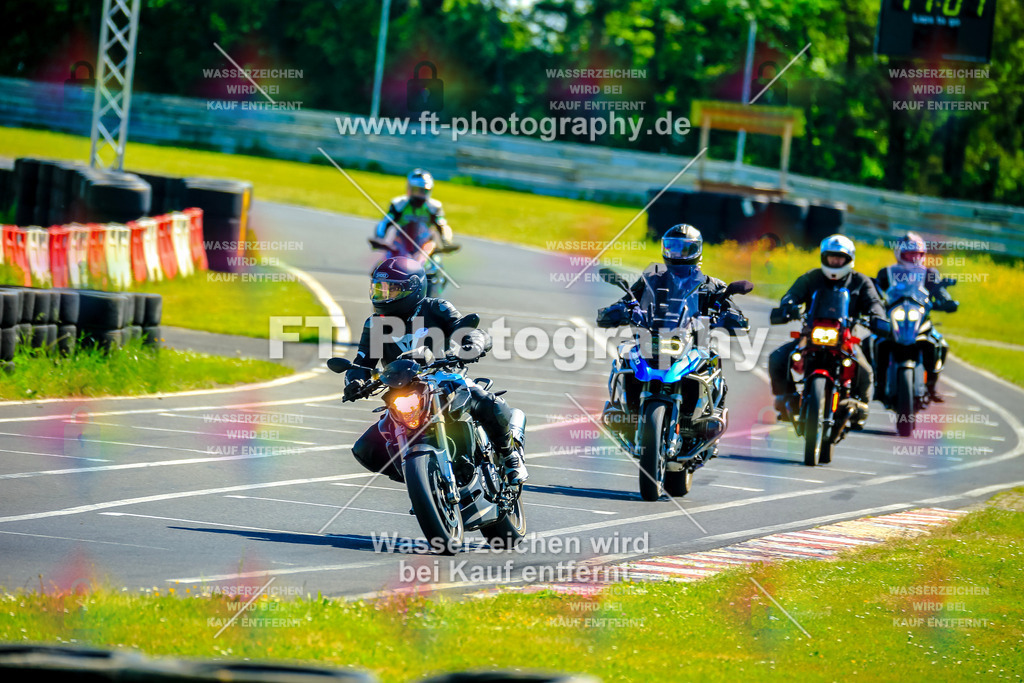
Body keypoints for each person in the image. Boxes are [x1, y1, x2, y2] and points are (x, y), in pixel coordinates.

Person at [340, 256, 528, 485]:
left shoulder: (435, 307)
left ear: (414, 289)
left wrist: (473, 343)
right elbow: (362, 363)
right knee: (366, 449)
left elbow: (464, 329)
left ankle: (510, 456)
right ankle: (427, 483)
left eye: (393, 289)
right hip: (402, 389)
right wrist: (355, 382)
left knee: (487, 403)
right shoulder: (374, 323)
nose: (385, 295)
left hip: (444, 378)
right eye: (380, 289)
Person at [596, 224, 750, 420]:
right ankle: (622, 408)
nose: (678, 253)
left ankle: (711, 415)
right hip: (650, 337)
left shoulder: (712, 285)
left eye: (685, 248)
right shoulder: (651, 279)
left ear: (696, 250)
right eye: (673, 247)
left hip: (694, 343)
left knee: (712, 361)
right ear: (665, 249)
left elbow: (731, 308)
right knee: (625, 356)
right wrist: (617, 310)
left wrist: (732, 317)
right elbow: (629, 300)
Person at [768, 234, 885, 429]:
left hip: (846, 339)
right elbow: (792, 295)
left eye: (840, 257)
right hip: (811, 336)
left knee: (865, 371)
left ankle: (859, 406)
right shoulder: (811, 277)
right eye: (831, 256)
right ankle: (786, 398)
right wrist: (789, 305)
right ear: (824, 257)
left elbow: (874, 302)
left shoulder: (861, 282)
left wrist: (877, 315)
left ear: (849, 259)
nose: (836, 261)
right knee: (777, 358)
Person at [874, 231, 958, 402]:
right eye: (909, 253)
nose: (913, 257)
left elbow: (938, 290)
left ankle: (932, 386)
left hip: (920, 321)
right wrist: (872, 304)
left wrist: (946, 301)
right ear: (900, 254)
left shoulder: (929, 273)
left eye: (917, 254)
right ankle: (879, 385)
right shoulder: (887, 273)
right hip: (893, 320)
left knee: (940, 344)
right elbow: (875, 292)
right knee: (875, 341)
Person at [374, 169, 454, 248]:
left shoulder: (434, 207)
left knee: (435, 260)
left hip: (425, 246)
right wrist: (379, 238)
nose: (420, 194)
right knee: (388, 260)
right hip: (400, 245)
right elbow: (385, 222)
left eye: (424, 191)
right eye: (417, 190)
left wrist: (446, 241)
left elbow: (443, 225)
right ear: (410, 189)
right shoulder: (399, 204)